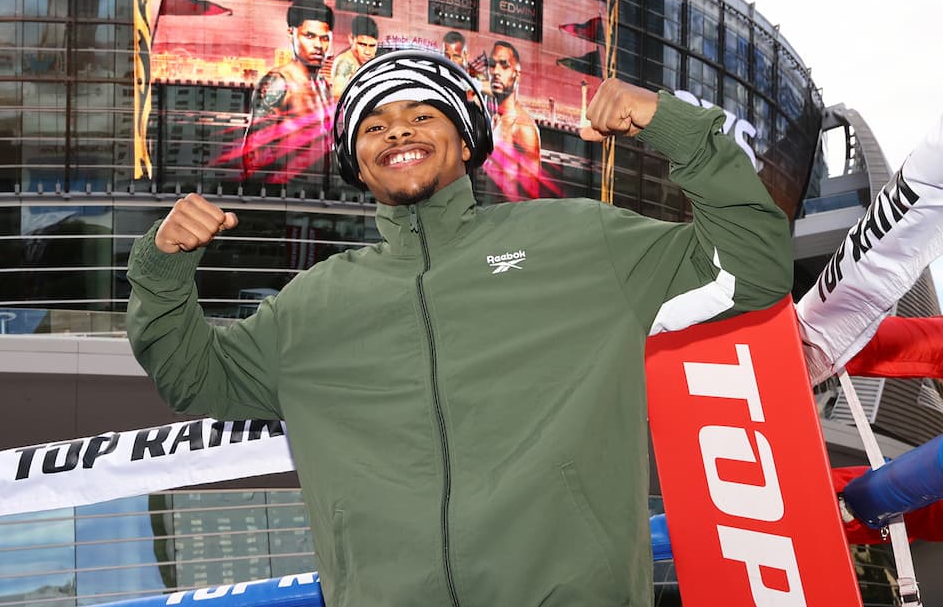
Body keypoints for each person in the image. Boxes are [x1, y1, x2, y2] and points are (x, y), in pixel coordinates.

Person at [126, 50, 792, 606]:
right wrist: (161, 267)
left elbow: (751, 265)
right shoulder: (313, 304)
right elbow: (191, 373)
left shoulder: (579, 241)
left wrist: (672, 126)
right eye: (374, 125)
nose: (397, 131)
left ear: (467, 138)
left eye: (422, 113)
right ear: (355, 164)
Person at [241, 0, 335, 182]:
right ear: (291, 33)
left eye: (324, 38)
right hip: (283, 194)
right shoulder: (279, 81)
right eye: (309, 36)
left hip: (317, 194)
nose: (318, 45)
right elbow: (255, 151)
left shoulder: (323, 86)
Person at [485, 40, 543, 199]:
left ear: (516, 74)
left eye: (504, 65)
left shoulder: (523, 128)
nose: (496, 71)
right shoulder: (495, 120)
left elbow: (530, 200)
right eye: (492, 64)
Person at [329, 16, 379, 98]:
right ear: (351, 39)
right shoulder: (345, 62)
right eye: (362, 44)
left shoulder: (369, 63)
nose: (367, 52)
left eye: (372, 46)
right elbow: (337, 96)